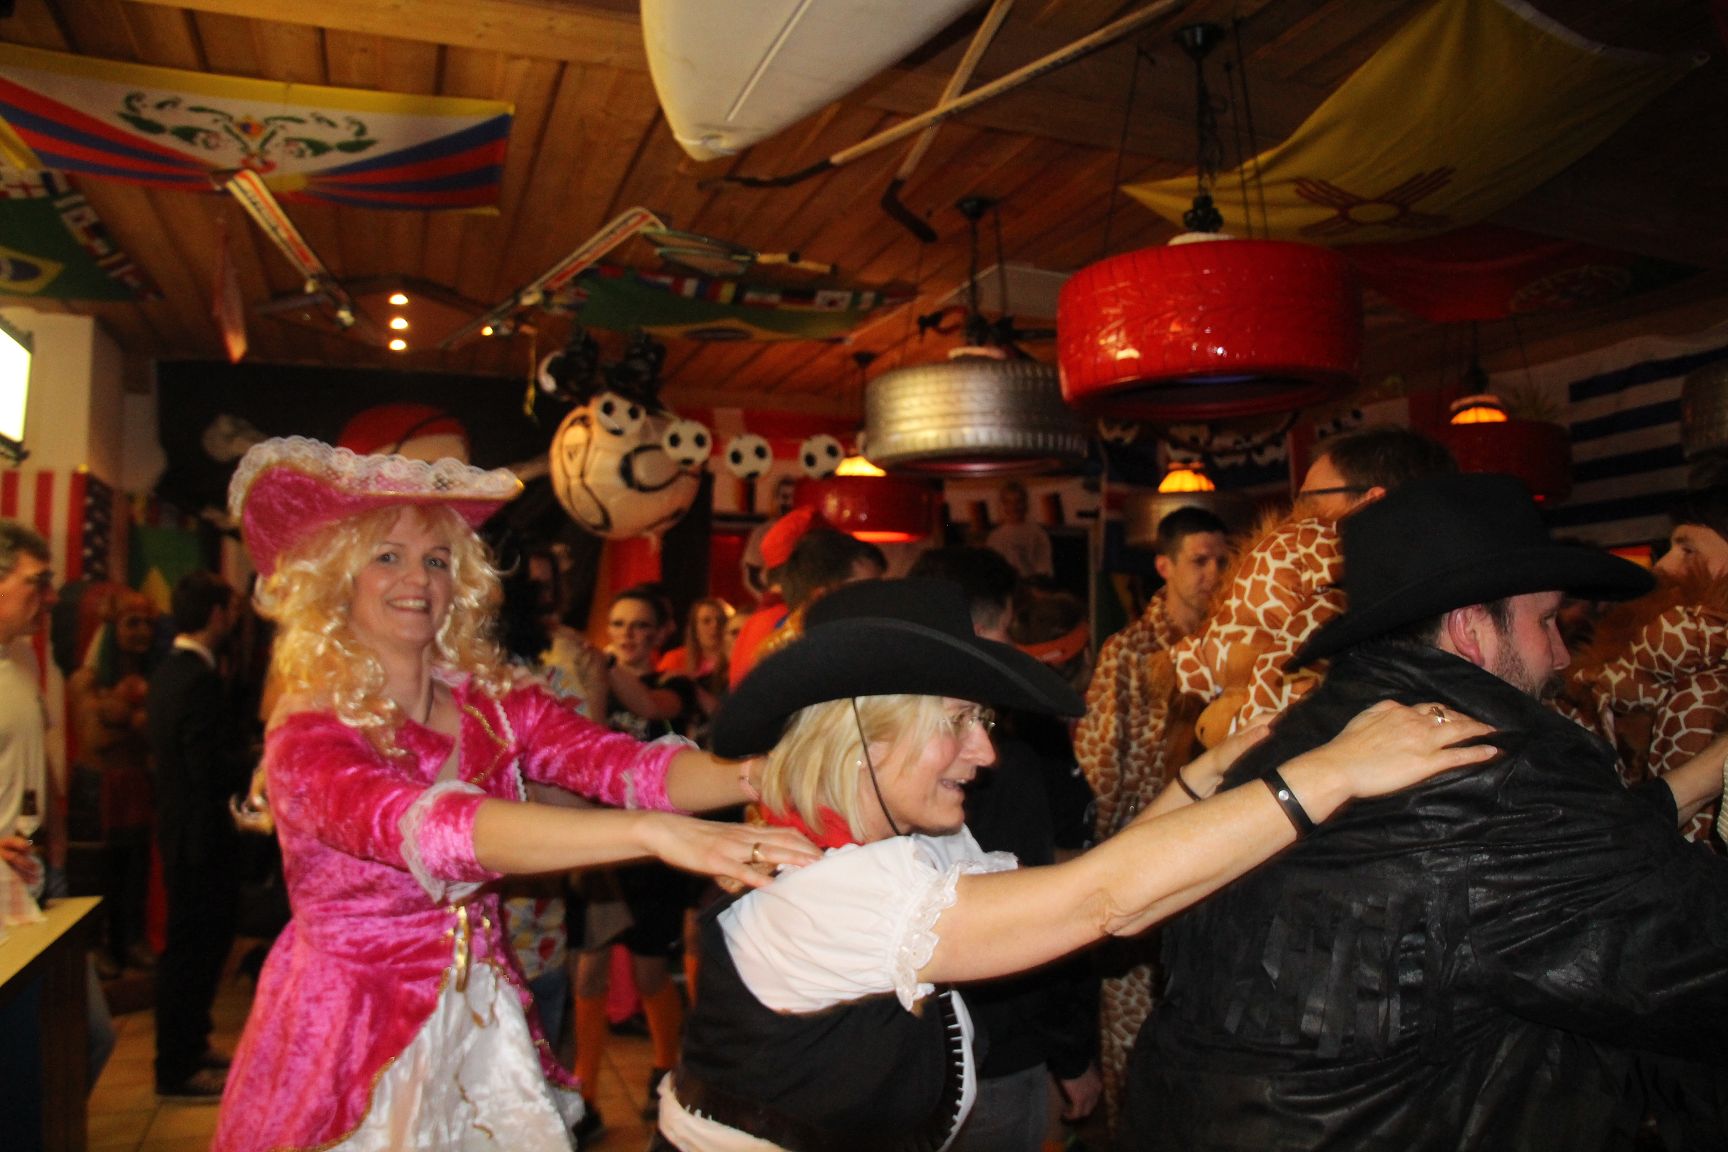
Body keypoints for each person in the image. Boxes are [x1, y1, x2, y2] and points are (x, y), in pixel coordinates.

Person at [652, 577, 1498, 1151]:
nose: (985, 752)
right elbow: (1103, 903)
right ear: (867, 741)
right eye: (957, 722)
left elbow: (1098, 890)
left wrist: (1210, 774)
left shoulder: (905, 848)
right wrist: (1335, 771)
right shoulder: (830, 891)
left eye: (982, 721)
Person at [210, 437, 817, 1152]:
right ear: (338, 577)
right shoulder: (308, 730)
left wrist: (767, 773)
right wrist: (650, 834)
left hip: (480, 1018)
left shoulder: (492, 703)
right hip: (349, 1031)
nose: (418, 579)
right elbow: (435, 830)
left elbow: (625, 767)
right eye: (388, 556)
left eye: (438, 560)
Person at [1125, 472, 1728, 1152]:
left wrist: (1700, 776)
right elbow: (1701, 965)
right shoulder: (1497, 782)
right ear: (1471, 629)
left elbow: (1562, 872)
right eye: (1546, 622)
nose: (1562, 653)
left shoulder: (1299, 737)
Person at [909, 547, 1103, 1150]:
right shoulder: (1012, 752)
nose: (981, 751)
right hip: (986, 1053)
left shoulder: (897, 742)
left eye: (981, 724)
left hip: (932, 1054)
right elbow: (1041, 910)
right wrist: (1071, 1052)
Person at [1073, 505, 1228, 1125]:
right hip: (1144, 849)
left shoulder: (1240, 642)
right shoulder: (1129, 649)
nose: (1213, 573)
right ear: (1164, 566)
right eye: (1199, 560)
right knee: (1135, 1024)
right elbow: (1099, 759)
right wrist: (1111, 854)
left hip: (1220, 849)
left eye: (1222, 560)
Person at [1164, 424, 1456, 746]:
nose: (1296, 517)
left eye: (1310, 501)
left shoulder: (1342, 618)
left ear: (1371, 504)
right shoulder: (1448, 600)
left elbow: (1271, 740)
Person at [571, 584, 705, 1135]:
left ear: (660, 634)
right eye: (619, 624)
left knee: (650, 969)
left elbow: (650, 708)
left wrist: (599, 665)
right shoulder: (590, 682)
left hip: (654, 847)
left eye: (640, 625)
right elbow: (586, 741)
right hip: (600, 842)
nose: (628, 635)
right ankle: (583, 1093)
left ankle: (664, 1066)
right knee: (589, 966)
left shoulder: (677, 686)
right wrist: (593, 682)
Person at [1567, 481, 1728, 842]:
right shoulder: (1632, 658)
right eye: (1669, 548)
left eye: (1687, 549)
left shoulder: (1704, 680)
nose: (1664, 565)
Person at [147, 571, 254, 1101]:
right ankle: (178, 1066)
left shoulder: (171, 670)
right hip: (200, 840)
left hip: (184, 833)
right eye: (230, 609)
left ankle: (192, 1043)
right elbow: (205, 768)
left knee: (198, 948)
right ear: (215, 614)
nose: (234, 619)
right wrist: (258, 761)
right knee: (194, 951)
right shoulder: (197, 679)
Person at [67, 585, 161, 978]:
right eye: (132, 623)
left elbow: (157, 734)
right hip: (98, 787)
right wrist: (133, 719)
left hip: (135, 783)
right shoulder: (86, 679)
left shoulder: (150, 678)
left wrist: (132, 720)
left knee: (134, 869)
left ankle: (131, 940)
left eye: (147, 624)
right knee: (97, 870)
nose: (141, 632)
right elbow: (95, 739)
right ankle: (95, 945)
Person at [987, 479, 1054, 578]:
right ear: (1002, 505)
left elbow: (1043, 570)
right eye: (1008, 502)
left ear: (1026, 504)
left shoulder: (1037, 534)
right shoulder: (994, 537)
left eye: (1018, 501)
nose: (1013, 507)